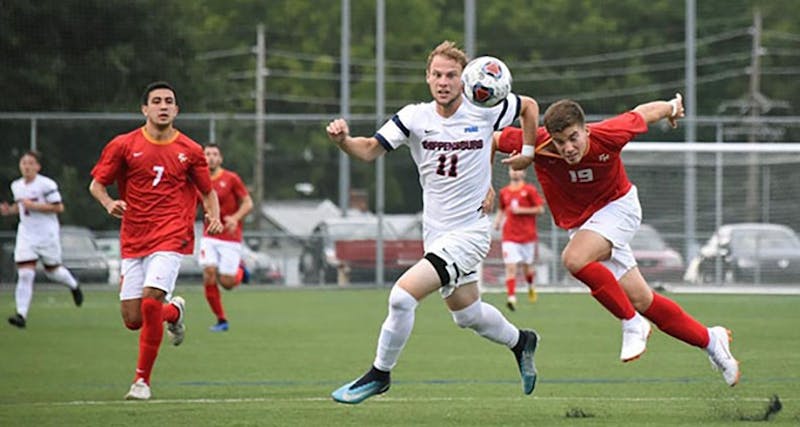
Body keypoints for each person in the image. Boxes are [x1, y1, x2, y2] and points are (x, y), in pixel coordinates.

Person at [325, 41, 542, 405]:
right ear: (428, 78)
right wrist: (343, 140)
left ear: (464, 80)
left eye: (452, 75)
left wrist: (528, 154)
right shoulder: (414, 117)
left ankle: (379, 374)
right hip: (436, 233)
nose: (444, 82)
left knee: (401, 297)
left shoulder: (486, 108)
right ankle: (522, 342)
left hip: (471, 233)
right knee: (468, 314)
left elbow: (531, 108)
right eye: (437, 75)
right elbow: (366, 151)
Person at [495, 94, 740, 386]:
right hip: (587, 225)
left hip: (619, 208)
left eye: (574, 138)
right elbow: (492, 139)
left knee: (574, 259)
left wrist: (672, 107)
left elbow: (643, 113)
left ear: (585, 129)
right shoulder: (538, 143)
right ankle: (712, 341)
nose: (568, 148)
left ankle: (631, 323)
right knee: (643, 299)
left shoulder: (608, 134)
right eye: (561, 142)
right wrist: (486, 186)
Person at [89, 81, 223, 400]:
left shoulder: (190, 150)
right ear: (144, 109)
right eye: (157, 101)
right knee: (133, 319)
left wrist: (213, 216)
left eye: (169, 102)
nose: (163, 106)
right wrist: (109, 204)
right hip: (134, 237)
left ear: (176, 110)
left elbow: (207, 191)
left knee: (150, 300)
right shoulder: (123, 145)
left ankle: (141, 382)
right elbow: (96, 185)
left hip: (172, 234)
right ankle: (174, 312)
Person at [1, 151, 83, 328]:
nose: (27, 166)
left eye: (31, 163)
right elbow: (22, 207)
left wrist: (35, 206)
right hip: (26, 235)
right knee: (25, 273)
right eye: (24, 163)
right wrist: (9, 211)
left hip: (47, 234)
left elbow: (59, 207)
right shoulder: (16, 185)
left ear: (38, 167)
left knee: (52, 271)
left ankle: (74, 285)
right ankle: (21, 315)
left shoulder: (46, 184)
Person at [198, 143, 253, 332]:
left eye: (215, 154)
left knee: (227, 283)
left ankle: (240, 270)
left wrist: (235, 218)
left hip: (230, 236)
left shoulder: (231, 178)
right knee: (209, 273)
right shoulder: (199, 180)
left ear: (220, 159)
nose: (211, 157)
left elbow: (248, 202)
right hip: (209, 235)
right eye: (207, 154)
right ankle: (221, 320)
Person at [493, 166, 545, 311]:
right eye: (512, 169)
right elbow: (502, 209)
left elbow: (540, 209)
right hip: (509, 236)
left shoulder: (530, 190)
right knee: (510, 267)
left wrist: (522, 210)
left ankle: (530, 286)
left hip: (527, 235)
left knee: (527, 268)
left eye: (518, 169)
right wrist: (497, 221)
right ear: (509, 172)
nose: (515, 172)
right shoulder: (504, 192)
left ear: (523, 172)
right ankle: (511, 298)